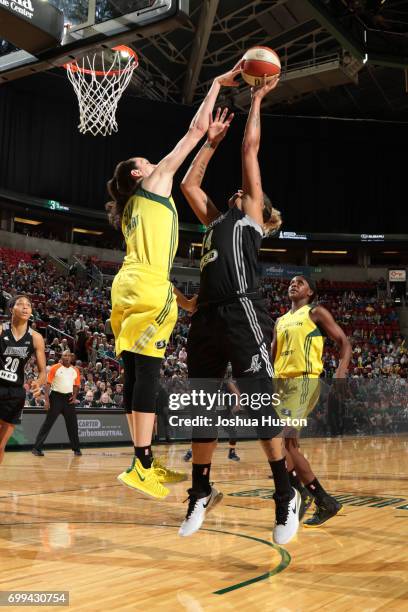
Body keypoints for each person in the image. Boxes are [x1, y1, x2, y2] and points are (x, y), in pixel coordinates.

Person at [106, 63, 242, 500]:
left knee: (133, 370)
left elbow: (159, 281)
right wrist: (218, 83)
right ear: (137, 175)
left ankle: (141, 461)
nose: (153, 162)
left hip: (127, 288)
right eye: (145, 162)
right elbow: (194, 129)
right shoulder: (155, 184)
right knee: (148, 371)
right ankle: (143, 464)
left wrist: (186, 304)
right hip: (148, 285)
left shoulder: (130, 210)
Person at [178, 77, 300, 545]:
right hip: (206, 317)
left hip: (243, 311)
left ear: (261, 210)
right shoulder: (216, 220)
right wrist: (209, 144)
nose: (240, 190)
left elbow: (250, 150)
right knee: (201, 407)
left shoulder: (250, 219)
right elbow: (189, 183)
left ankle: (284, 494)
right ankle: (201, 490)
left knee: (258, 406)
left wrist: (257, 100)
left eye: (249, 193)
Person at [272, 275, 352, 527]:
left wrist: (341, 370)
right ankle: (320, 498)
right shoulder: (280, 321)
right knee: (282, 448)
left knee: (285, 442)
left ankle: (304, 494)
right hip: (281, 385)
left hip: (304, 381)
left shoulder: (315, 312)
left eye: (300, 282)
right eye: (291, 282)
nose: (293, 284)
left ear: (310, 292)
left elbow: (344, 342)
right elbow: (272, 357)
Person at [0, 295, 46, 463]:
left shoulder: (36, 338)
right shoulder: (1, 330)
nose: (26, 307)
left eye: (29, 305)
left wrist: (38, 383)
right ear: (11, 309)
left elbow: (43, 373)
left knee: (0, 445)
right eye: (21, 304)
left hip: (16, 392)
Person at [32, 350, 82, 456]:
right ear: (61, 357)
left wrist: (74, 396)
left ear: (71, 357)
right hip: (56, 397)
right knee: (48, 423)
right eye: (64, 355)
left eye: (68, 355)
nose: (67, 357)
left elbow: (77, 385)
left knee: (73, 425)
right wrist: (47, 400)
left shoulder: (75, 370)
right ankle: (36, 448)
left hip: (68, 398)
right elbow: (48, 385)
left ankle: (76, 449)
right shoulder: (55, 368)